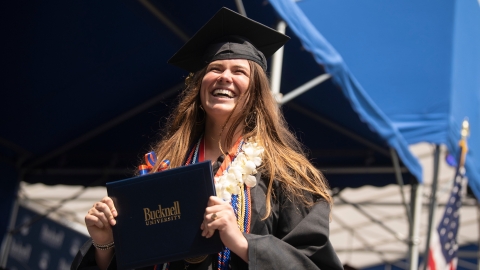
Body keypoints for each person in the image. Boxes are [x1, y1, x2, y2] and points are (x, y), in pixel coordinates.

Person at [71, 7, 343, 270]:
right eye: (215, 69)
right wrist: (105, 245)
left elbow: (314, 264)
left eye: (239, 71)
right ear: (200, 85)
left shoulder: (287, 176)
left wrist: (241, 243)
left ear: (256, 93)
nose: (225, 77)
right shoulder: (161, 168)